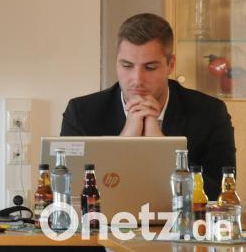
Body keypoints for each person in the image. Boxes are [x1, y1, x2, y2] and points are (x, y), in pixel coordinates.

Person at [60, 13, 235, 199]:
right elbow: (66, 194)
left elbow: (220, 194)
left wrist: (161, 147)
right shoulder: (81, 113)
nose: (137, 79)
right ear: (116, 62)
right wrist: (123, 142)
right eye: (127, 66)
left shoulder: (210, 113)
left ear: (170, 65)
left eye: (150, 68)